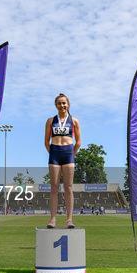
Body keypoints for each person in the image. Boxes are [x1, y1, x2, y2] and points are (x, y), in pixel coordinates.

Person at [44, 93, 81, 228]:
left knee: (68, 187)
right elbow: (46, 142)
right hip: (54, 153)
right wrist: (53, 152)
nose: (62, 105)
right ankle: (53, 219)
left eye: (64, 103)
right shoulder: (50, 121)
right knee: (54, 187)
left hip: (68, 154)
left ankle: (69, 220)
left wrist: (72, 154)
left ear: (68, 104)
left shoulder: (74, 121)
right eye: (59, 103)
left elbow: (79, 141)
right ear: (56, 105)